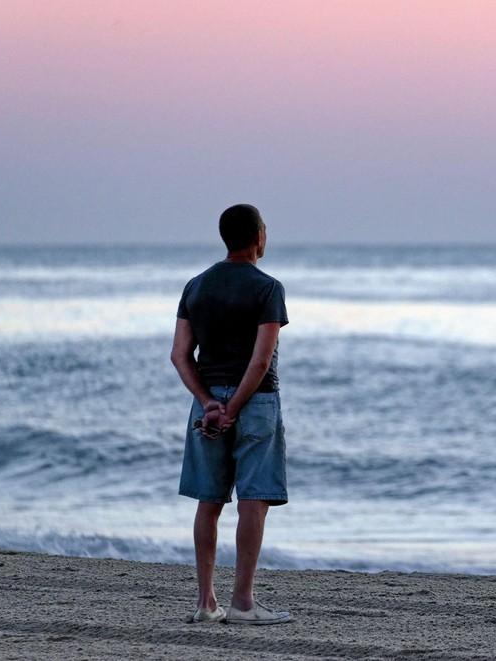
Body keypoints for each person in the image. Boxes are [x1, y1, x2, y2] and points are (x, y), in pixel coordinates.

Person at [170, 203, 292, 625]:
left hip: (207, 405)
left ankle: (206, 602)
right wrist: (235, 408)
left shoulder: (196, 286)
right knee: (253, 501)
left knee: (209, 501)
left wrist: (209, 404)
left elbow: (180, 355)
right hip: (254, 403)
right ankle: (242, 602)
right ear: (259, 236)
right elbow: (260, 363)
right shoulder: (268, 288)